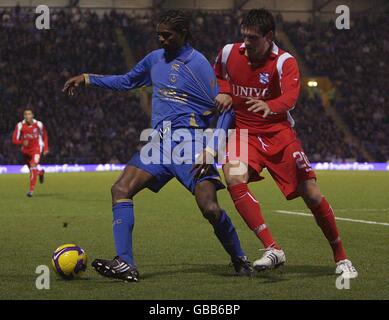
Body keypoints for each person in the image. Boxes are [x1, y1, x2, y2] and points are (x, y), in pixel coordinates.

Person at [63, 10, 252, 283]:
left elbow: (226, 109)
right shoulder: (154, 60)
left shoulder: (197, 64)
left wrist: (211, 148)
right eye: (159, 35)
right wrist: (88, 78)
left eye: (167, 35)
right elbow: (127, 81)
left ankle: (239, 257)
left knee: (210, 208)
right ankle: (125, 263)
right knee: (120, 189)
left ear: (183, 34)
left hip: (191, 144)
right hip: (159, 143)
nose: (162, 40)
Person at [196, 9, 357, 279]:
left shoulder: (285, 62)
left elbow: (291, 98)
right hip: (245, 133)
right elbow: (219, 76)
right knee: (233, 176)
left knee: (312, 194)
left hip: (279, 134)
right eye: (243, 36)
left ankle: (341, 257)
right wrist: (224, 91)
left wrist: (269, 106)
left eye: (252, 38)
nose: (245, 43)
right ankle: (272, 248)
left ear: (269, 37)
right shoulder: (228, 52)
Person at [12, 109, 48, 197]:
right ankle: (41, 173)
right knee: (33, 170)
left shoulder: (39, 124)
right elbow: (14, 140)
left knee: (33, 166)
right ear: (24, 116)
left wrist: (46, 148)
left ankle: (31, 191)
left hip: (36, 149)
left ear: (33, 115)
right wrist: (21, 142)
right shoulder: (20, 125)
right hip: (25, 151)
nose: (28, 116)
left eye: (29, 114)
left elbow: (45, 136)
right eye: (26, 114)